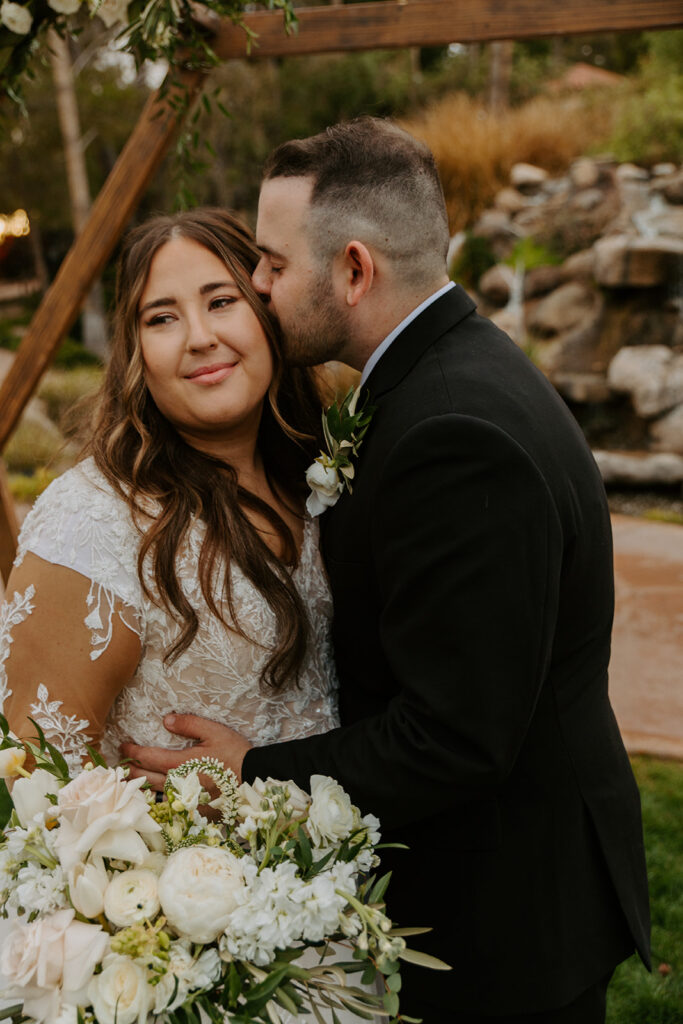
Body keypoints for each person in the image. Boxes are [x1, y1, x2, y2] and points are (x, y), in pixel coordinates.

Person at [125, 118, 651, 1023]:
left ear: (355, 270)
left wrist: (253, 768)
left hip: (505, 917)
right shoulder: (444, 379)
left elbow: (456, 734)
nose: (257, 286)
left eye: (274, 267)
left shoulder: (450, 434)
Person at [0, 206, 339, 779]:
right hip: (189, 867)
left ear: (266, 312)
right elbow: (36, 790)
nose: (200, 338)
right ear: (135, 351)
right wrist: (184, 812)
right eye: (162, 318)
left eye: (221, 302)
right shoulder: (92, 522)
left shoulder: (324, 474)